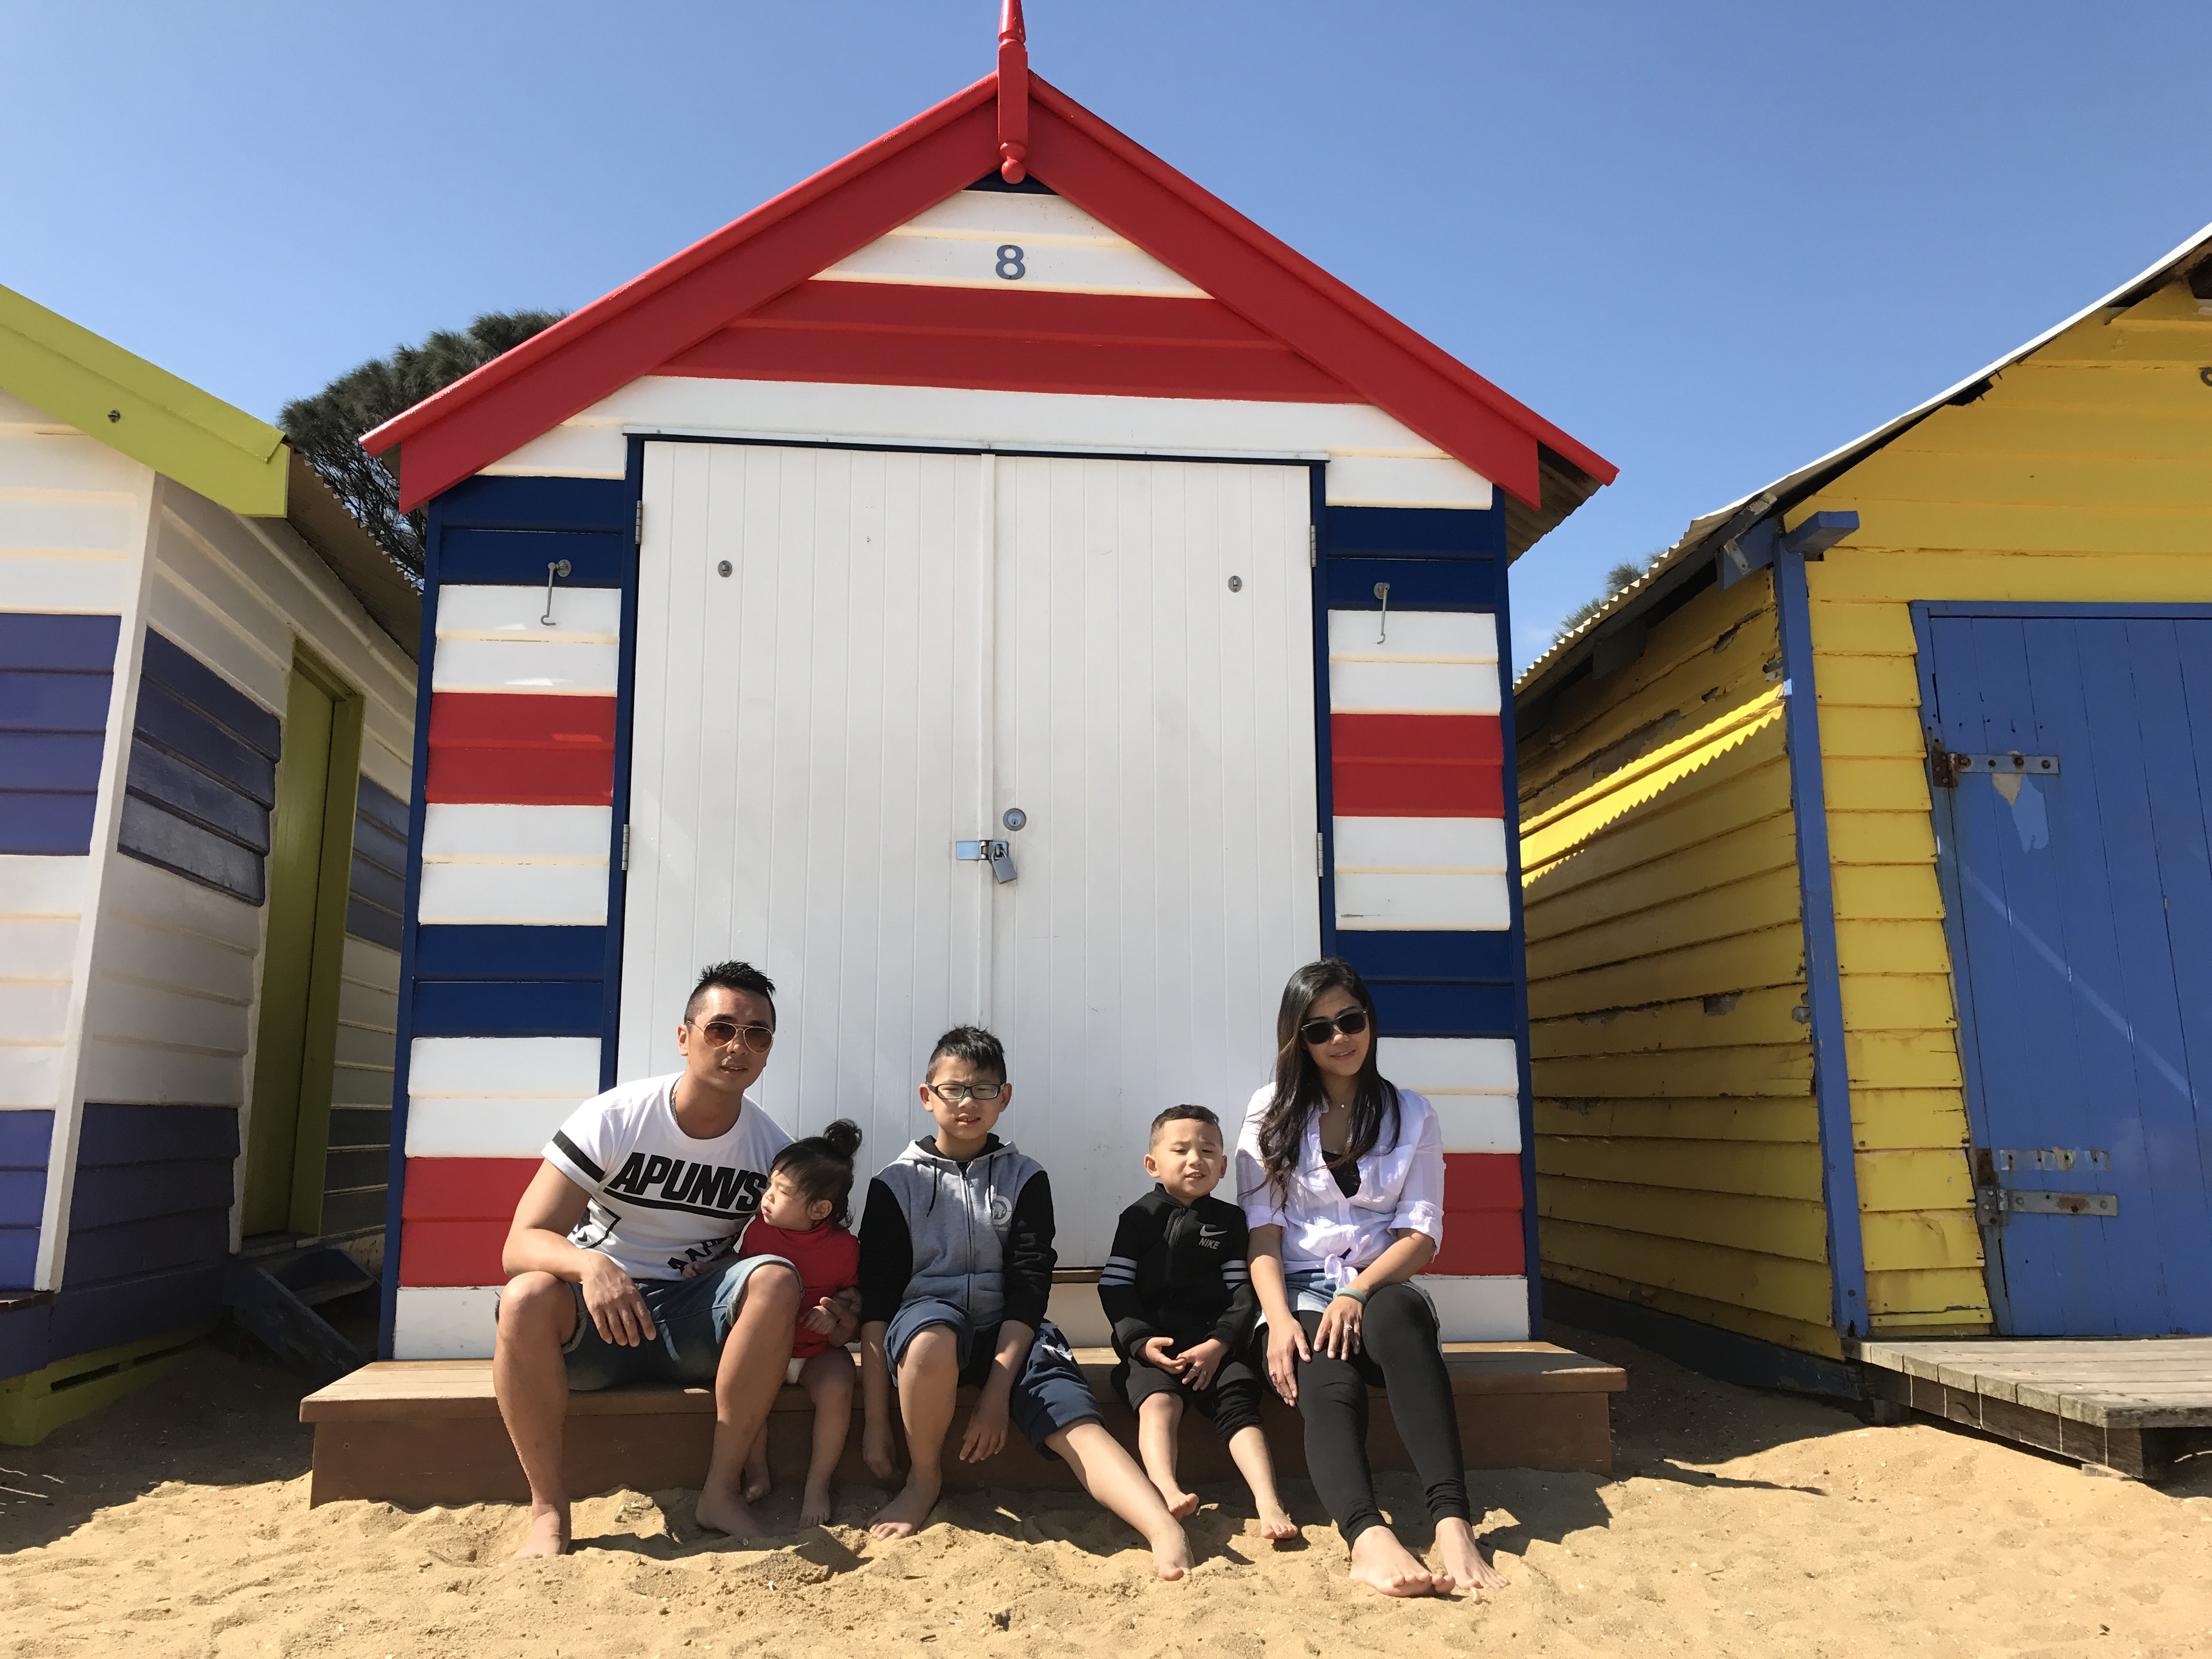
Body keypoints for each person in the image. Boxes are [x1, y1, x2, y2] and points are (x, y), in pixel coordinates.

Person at [492, 960, 850, 1557]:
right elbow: (521, 1242)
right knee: (526, 1294)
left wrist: (839, 1305)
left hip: (695, 1326)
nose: (738, 1046)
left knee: (774, 1279)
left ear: (769, 1051)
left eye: (758, 1035)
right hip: (598, 1323)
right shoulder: (616, 1117)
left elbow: (804, 1255)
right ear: (685, 1037)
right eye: (722, 1029)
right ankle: (549, 1510)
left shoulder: (773, 1152)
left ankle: (721, 1493)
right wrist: (592, 1267)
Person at [854, 1025, 1194, 1579]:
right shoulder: (895, 1183)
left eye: (984, 1090)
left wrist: (996, 1394)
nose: (968, 1103)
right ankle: (924, 1479)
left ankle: (1162, 1527)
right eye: (953, 1089)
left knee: (1073, 1417)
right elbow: (877, 1305)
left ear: (1004, 1098)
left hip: (1012, 1331)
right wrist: (874, 1424)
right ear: (927, 1096)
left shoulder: (1026, 1177)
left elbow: (1029, 1288)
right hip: (928, 1323)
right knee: (931, 1336)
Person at [1237, 959, 1509, 1598]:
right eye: (1319, 1029)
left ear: (1370, 1022)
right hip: (1297, 1288)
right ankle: (1366, 1536)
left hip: (1377, 1283)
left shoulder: (1412, 1114)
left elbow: (1421, 1236)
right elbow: (1263, 1235)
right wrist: (1279, 1320)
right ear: (1298, 1040)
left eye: (1350, 1020)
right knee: (1324, 1373)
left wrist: (1358, 1291)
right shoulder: (1269, 1111)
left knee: (1403, 1320)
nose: (1340, 1038)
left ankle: (1452, 1522)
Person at [1098, 1104, 1296, 1539]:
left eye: (1208, 1151)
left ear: (1223, 1167)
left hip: (1213, 1345)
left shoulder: (1228, 1222)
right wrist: (1140, 1341)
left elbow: (1242, 1292)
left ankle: (1268, 1500)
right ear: (1152, 1164)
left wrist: (1219, 1344)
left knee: (1238, 1405)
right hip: (1155, 1345)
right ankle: (1165, 1489)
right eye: (1181, 1150)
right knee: (1158, 1403)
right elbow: (1115, 1286)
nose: (1195, 1160)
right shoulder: (1137, 1219)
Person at [689, 1119, 864, 1527]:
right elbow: (740, 1265)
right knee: (750, 1396)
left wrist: (832, 1312)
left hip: (813, 1353)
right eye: (769, 1185)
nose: (766, 1198)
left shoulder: (844, 1248)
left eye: (781, 1192)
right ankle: (758, 1473)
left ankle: (818, 1483)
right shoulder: (760, 1231)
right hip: (766, 1353)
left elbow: (852, 1295)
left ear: (820, 1209)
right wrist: (710, 1268)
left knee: (839, 1385)